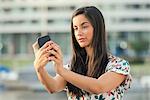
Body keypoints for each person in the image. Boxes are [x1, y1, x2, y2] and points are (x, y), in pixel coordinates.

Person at [32, 6, 132, 100]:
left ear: (97, 29)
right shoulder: (72, 67)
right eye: (75, 28)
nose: (78, 33)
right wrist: (39, 68)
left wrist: (61, 70)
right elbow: (53, 87)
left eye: (84, 27)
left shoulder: (119, 65)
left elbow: (98, 87)